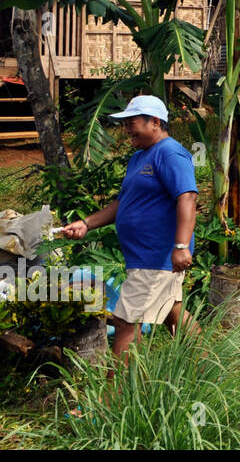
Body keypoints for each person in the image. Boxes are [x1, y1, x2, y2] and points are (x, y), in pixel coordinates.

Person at [61, 95, 200, 360]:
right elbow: (123, 203)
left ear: (155, 122)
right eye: (124, 123)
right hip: (143, 256)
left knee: (126, 323)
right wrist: (86, 224)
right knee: (173, 312)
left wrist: (181, 245)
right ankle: (207, 369)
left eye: (131, 122)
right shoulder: (139, 157)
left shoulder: (170, 153)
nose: (126, 129)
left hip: (156, 256)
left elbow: (188, 197)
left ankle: (112, 398)